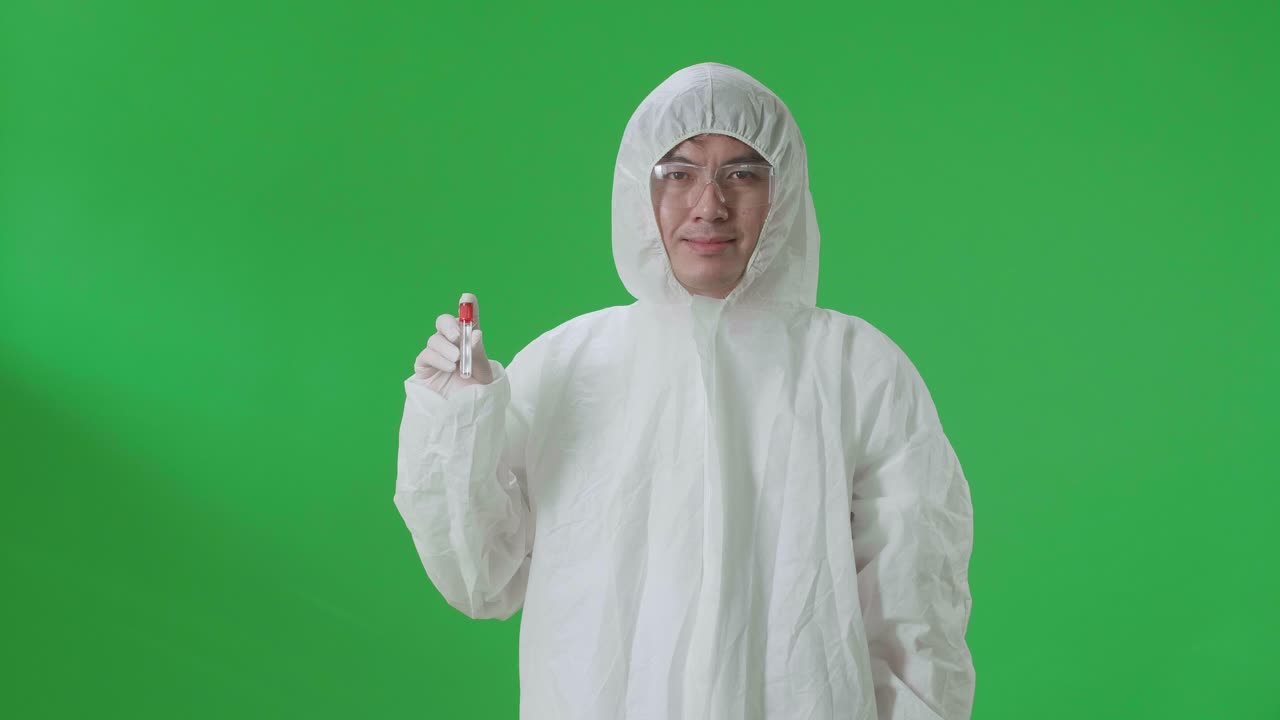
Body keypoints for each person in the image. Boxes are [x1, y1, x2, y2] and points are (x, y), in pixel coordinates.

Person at [394, 62, 975, 719]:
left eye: (742, 173)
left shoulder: (855, 370)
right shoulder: (567, 366)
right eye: (678, 172)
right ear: (637, 188)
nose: (709, 204)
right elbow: (483, 579)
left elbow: (916, 615)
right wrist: (457, 419)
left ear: (782, 191)